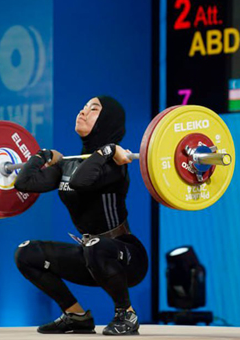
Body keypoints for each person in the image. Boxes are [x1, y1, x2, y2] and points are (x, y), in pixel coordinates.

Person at [14, 95, 148, 336]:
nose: (82, 112)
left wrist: (109, 150)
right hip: (90, 255)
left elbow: (80, 182)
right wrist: (42, 156)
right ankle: (76, 315)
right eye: (83, 106)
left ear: (106, 120)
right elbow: (23, 183)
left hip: (126, 257)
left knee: (95, 247)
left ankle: (126, 314)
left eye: (93, 109)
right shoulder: (69, 163)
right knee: (26, 253)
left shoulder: (117, 164)